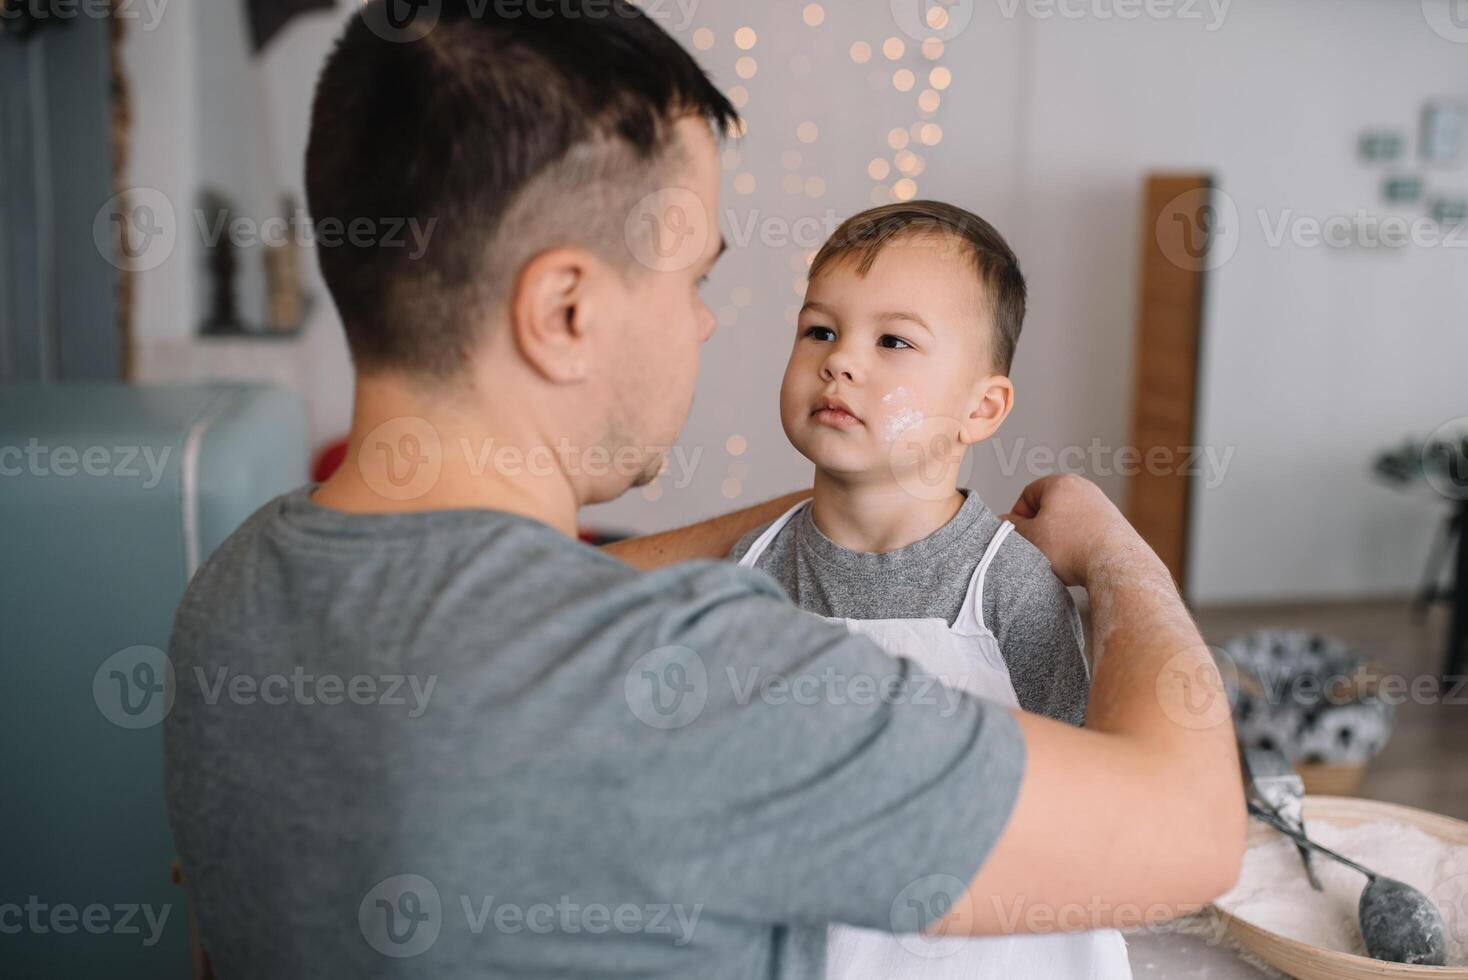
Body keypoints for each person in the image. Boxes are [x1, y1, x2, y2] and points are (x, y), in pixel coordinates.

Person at [163, 3, 1245, 978]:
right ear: (568, 311)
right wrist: (1110, 547)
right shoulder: (699, 682)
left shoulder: (236, 593)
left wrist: (846, 502)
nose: (706, 321)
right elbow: (1192, 831)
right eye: (695, 279)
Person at [730, 201, 1127, 977]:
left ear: (981, 408)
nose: (840, 361)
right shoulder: (751, 568)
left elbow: (1066, 799)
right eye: (820, 330)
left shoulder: (1007, 584)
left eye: (893, 341)